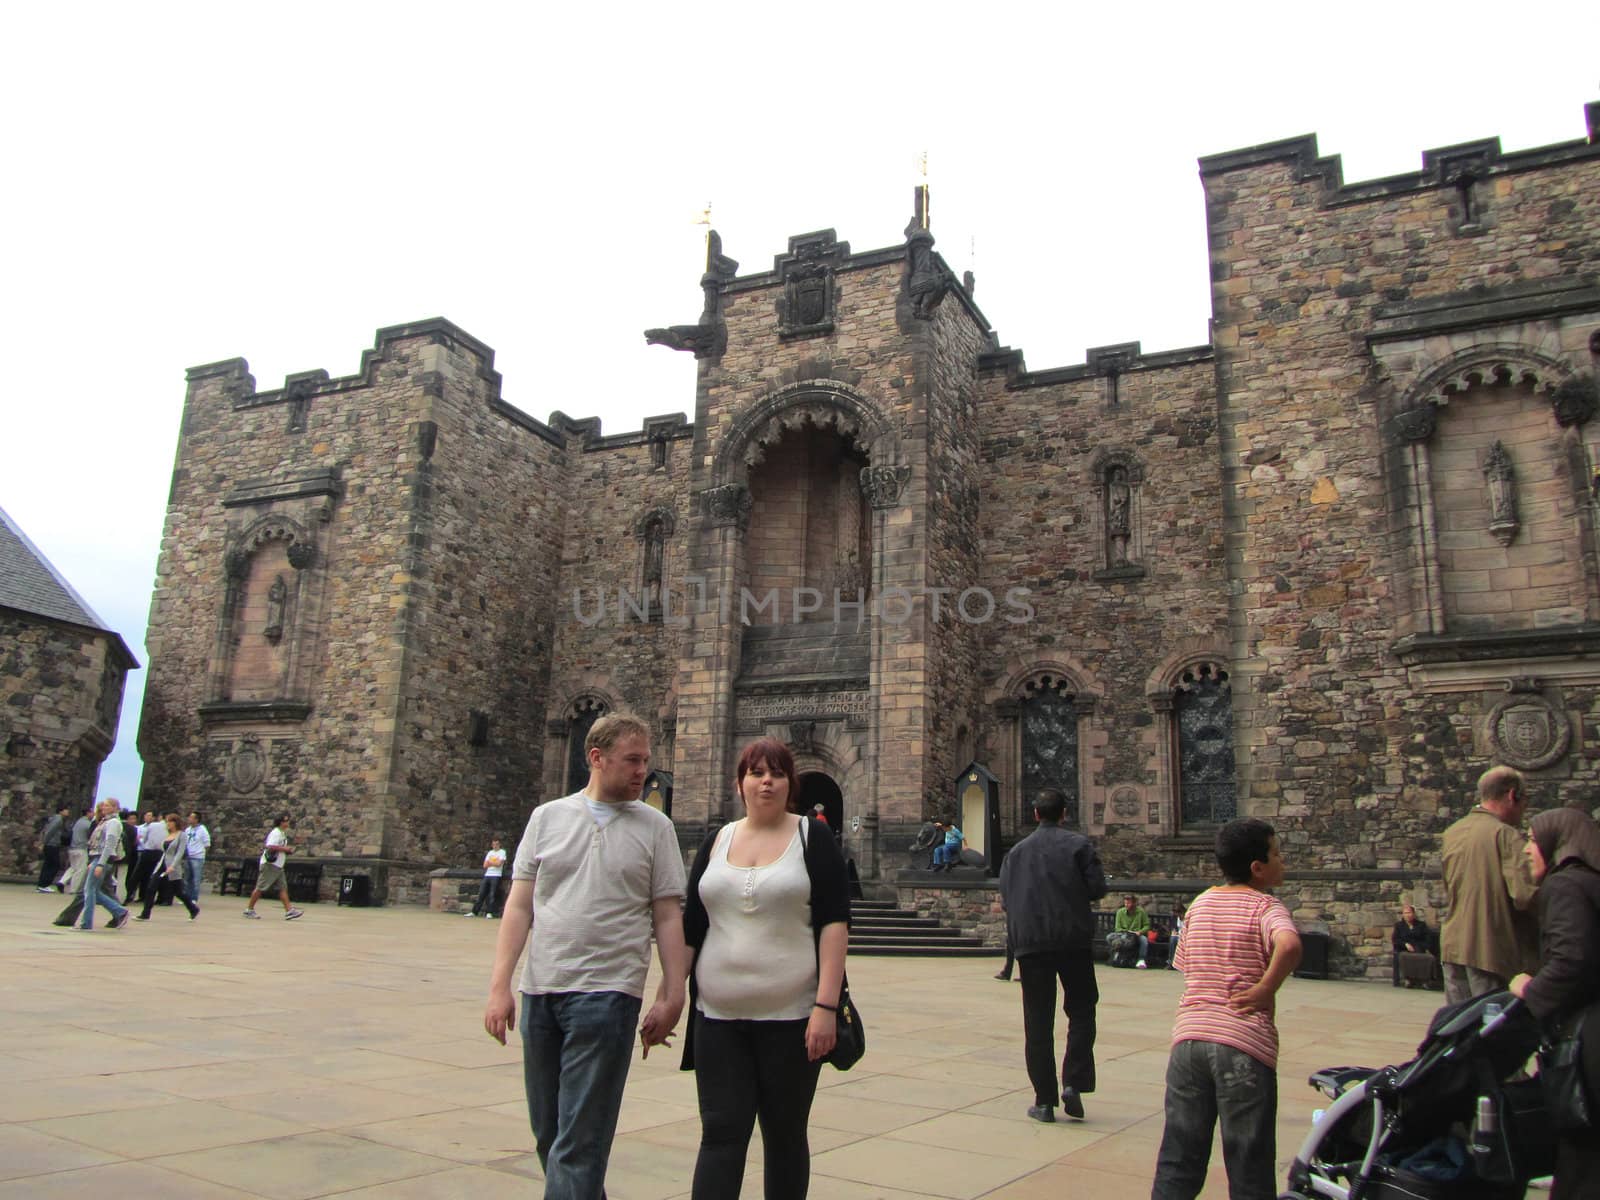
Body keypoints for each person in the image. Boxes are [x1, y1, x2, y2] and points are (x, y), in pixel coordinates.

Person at [482, 712, 689, 1200]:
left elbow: (667, 916)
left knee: (578, 1144)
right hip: (540, 992)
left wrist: (671, 991)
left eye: (646, 761)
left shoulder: (657, 827)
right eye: (632, 760)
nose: (644, 771)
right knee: (551, 1135)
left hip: (607, 996)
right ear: (596, 758)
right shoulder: (546, 818)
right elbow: (518, 905)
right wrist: (499, 987)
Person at [679, 737, 850, 1200]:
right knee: (719, 1133)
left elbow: (835, 922)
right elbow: (692, 926)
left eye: (776, 773)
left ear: (790, 783)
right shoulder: (717, 840)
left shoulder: (812, 838)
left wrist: (826, 1007)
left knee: (785, 1135)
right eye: (756, 773)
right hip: (717, 1017)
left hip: (793, 1019)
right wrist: (669, 994)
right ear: (740, 784)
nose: (766, 781)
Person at [1150, 818, 1302, 1200]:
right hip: (1242, 1046)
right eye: (1277, 853)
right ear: (1258, 867)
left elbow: (1187, 965)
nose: (1283, 860)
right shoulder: (1267, 906)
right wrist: (1266, 988)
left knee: (1179, 1157)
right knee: (1248, 1160)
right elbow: (1289, 946)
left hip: (1188, 1043)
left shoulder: (1200, 903)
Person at [998, 787, 1108, 1123]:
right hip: (1072, 940)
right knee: (1082, 1010)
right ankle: (1073, 1082)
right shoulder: (1078, 845)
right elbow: (1097, 888)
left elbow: (1006, 897)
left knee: (1038, 1022)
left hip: (1031, 946)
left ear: (1035, 814)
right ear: (1064, 814)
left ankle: (1044, 1101)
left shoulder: (1014, 853)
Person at [1508, 808, 1600, 1200]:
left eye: (1531, 839)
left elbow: (1571, 960)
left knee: (1581, 1168)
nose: (1527, 849)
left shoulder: (1564, 886)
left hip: (1589, 1051)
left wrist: (1530, 990)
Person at [1439, 765, 1539, 1005]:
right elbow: (1525, 895)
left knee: (1461, 1025)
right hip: (1490, 948)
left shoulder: (1453, 832)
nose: (1524, 809)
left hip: (1453, 945)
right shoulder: (1505, 835)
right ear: (1512, 795)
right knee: (1492, 1029)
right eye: (1525, 800)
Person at [136, 814, 200, 920]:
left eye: (171, 821)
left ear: (176, 823)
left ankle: (193, 908)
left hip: (172, 866)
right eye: (167, 822)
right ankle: (145, 913)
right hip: (162, 863)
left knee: (178, 891)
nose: (168, 824)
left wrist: (173, 866)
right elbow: (163, 850)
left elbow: (180, 852)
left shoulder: (181, 835)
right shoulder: (167, 834)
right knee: (151, 887)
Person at [80, 800, 132, 931]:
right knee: (94, 891)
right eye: (104, 805)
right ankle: (119, 911)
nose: (104, 807)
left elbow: (110, 844)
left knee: (89, 890)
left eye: (108, 805)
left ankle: (86, 923)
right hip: (98, 857)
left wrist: (100, 863)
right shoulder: (106, 821)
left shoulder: (113, 823)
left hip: (102, 858)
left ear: (115, 808)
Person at [244, 814, 304, 920]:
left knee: (282, 888)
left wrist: (286, 850)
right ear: (281, 822)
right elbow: (270, 846)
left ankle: (289, 911)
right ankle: (249, 909)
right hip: (270, 865)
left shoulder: (282, 833)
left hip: (278, 866)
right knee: (261, 887)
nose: (288, 822)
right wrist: (285, 849)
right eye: (286, 820)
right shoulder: (276, 833)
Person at [127, 809, 166, 906]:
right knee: (142, 875)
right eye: (146, 815)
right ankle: (139, 896)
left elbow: (145, 839)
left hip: (149, 851)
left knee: (142, 875)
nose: (148, 817)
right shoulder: (142, 827)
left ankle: (138, 895)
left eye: (150, 816)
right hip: (148, 851)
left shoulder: (154, 826)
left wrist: (145, 843)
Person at [1391, 903, 1434, 988]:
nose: (1408, 915)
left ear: (1413, 914)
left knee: (1425, 957)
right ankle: (1408, 979)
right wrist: (1405, 944)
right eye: (1406, 913)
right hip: (1404, 949)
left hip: (1418, 948)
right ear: (1403, 915)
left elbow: (1427, 939)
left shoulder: (1421, 925)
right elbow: (1395, 939)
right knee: (1404, 956)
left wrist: (1419, 947)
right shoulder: (1399, 926)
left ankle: (1423, 980)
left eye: (1409, 913)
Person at [1109, 894, 1153, 969]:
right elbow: (1117, 928)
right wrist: (1125, 931)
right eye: (1125, 903)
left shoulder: (1141, 911)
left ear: (1134, 903)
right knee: (1109, 937)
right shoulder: (1120, 912)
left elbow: (1147, 926)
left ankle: (1141, 960)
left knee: (1144, 940)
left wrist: (1140, 932)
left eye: (1128, 903)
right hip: (1123, 933)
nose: (1126, 905)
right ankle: (1116, 956)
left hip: (1136, 934)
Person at [59, 804, 94, 895]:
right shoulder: (88, 824)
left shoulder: (77, 822)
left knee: (73, 867)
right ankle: (74, 889)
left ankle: (62, 881)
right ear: (88, 813)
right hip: (81, 848)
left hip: (72, 848)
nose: (93, 814)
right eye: (92, 812)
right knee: (80, 869)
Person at [468, 837, 507, 918]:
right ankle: (474, 912)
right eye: (493, 844)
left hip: (496, 875)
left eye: (496, 844)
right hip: (487, 875)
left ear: (499, 844)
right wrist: (493, 862)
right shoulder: (490, 852)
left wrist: (491, 862)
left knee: (492, 895)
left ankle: (489, 913)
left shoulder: (502, 852)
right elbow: (485, 865)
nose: (495, 846)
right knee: (481, 894)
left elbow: (499, 864)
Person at [35, 804, 69, 892]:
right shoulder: (58, 819)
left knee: (48, 864)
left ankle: (41, 885)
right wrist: (43, 842)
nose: (68, 812)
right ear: (61, 811)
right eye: (66, 810)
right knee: (54, 865)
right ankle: (44, 884)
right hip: (52, 844)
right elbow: (50, 831)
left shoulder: (55, 818)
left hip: (50, 844)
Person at [182, 811, 210, 905]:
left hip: (197, 857)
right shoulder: (188, 830)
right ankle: (186, 897)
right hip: (188, 856)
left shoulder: (202, 830)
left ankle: (194, 897)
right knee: (187, 878)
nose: (189, 819)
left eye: (191, 817)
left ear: (196, 819)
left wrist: (200, 852)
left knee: (195, 879)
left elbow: (207, 844)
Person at [1167, 902, 1187, 970]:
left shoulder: (1188, 917)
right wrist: (1173, 931)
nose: (1176, 914)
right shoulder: (1174, 917)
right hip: (1177, 935)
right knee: (1173, 939)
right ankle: (1171, 963)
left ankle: (1181, 963)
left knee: (1178, 940)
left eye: (1177, 913)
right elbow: (1172, 927)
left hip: (1186, 935)